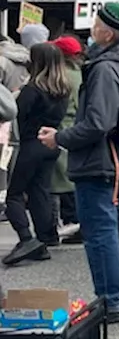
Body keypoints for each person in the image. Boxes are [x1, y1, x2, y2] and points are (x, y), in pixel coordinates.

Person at [38, 3, 119, 324]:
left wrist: (60, 138)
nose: (91, 29)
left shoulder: (107, 67)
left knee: (101, 232)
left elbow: (98, 122)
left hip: (101, 161)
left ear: (107, 32)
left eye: (95, 24)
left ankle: (111, 300)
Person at [4, 43, 72, 265]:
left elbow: (17, 116)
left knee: (13, 193)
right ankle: (46, 236)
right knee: (39, 191)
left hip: (29, 144)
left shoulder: (33, 89)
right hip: (50, 144)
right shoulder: (63, 89)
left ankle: (26, 238)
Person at [50, 35, 84, 241]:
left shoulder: (63, 76)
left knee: (61, 180)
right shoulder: (80, 73)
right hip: (76, 127)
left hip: (63, 127)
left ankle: (71, 221)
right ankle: (75, 221)